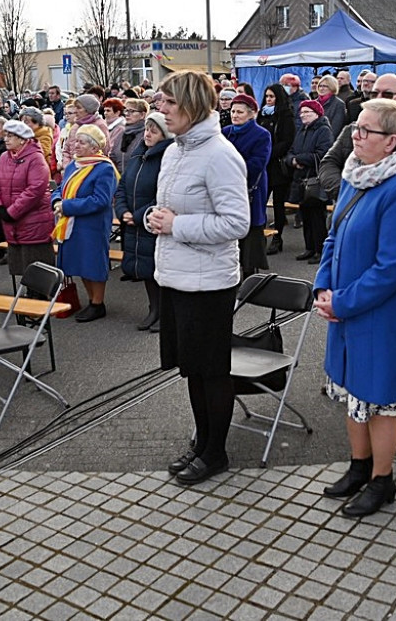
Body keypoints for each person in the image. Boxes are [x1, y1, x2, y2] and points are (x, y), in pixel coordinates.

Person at [315, 99, 396, 517]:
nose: (355, 136)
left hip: (381, 316)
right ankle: (359, 467)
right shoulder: (355, 176)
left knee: (379, 400)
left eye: (365, 131)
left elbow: (392, 268)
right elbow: (333, 239)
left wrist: (342, 303)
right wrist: (322, 288)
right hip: (345, 310)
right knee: (353, 394)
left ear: (392, 141)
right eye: (355, 129)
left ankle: (384, 480)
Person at [149, 70, 249, 486]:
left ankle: (216, 451)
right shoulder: (175, 150)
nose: (162, 111)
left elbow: (237, 222)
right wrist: (155, 218)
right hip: (175, 275)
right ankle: (200, 441)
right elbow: (172, 206)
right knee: (191, 368)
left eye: (170, 104)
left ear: (191, 106)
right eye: (161, 103)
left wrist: (177, 225)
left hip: (208, 282)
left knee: (212, 370)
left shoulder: (221, 154)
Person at [318, 74, 396, 199]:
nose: (379, 98)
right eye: (374, 94)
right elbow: (328, 163)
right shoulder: (352, 129)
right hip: (347, 207)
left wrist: (373, 196)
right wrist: (346, 192)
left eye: (387, 94)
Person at [51, 124, 118, 323]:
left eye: (81, 142)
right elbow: (60, 189)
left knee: (92, 263)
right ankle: (91, 300)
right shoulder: (73, 165)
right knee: (80, 262)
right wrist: (56, 201)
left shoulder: (104, 168)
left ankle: (98, 304)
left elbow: (101, 200)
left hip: (92, 225)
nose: (75, 145)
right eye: (75, 141)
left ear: (94, 146)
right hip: (71, 223)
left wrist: (67, 206)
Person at [114, 112, 173, 332]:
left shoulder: (167, 156)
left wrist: (138, 216)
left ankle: (164, 313)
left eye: (153, 130)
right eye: (146, 129)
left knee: (159, 269)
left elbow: (163, 194)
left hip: (152, 222)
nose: (147, 134)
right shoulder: (138, 155)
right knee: (146, 269)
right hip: (133, 222)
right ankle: (154, 310)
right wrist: (123, 211)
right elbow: (122, 186)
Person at [0, 119, 56, 289]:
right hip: (12, 221)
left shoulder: (35, 158)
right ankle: (28, 298)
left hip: (33, 220)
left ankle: (39, 301)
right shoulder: (5, 157)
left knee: (37, 265)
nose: (6, 139)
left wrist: (12, 212)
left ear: (23, 139)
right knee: (21, 266)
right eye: (5, 135)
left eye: (11, 136)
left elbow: (35, 189)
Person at [222, 93, 272, 278]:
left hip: (250, 187)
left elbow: (258, 163)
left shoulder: (261, 134)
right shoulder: (225, 132)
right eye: (233, 111)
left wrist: (231, 171)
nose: (235, 115)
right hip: (226, 187)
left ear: (251, 114)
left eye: (240, 112)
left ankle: (251, 273)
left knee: (251, 229)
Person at [285, 100, 334, 263]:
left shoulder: (323, 131)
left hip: (315, 180)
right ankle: (309, 248)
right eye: (302, 112)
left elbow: (322, 154)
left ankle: (320, 250)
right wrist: (292, 160)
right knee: (305, 215)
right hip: (300, 180)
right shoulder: (301, 130)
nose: (303, 115)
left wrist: (299, 159)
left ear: (317, 114)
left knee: (317, 218)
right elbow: (291, 151)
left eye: (308, 112)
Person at [256, 84, 296, 257]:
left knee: (278, 204)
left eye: (272, 97)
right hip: (262, 166)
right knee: (260, 202)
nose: (269, 100)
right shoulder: (261, 114)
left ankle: (277, 238)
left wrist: (268, 153)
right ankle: (261, 237)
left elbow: (287, 141)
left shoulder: (285, 116)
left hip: (277, 165)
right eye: (267, 96)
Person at [60, 94, 110, 168]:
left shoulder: (100, 125)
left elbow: (104, 151)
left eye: (79, 108)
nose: (75, 111)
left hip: (91, 170)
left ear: (88, 110)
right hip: (73, 169)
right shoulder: (75, 126)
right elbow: (66, 150)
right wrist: (67, 166)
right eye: (75, 107)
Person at [117, 98, 149, 170]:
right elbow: (113, 154)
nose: (127, 114)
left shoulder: (145, 134)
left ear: (142, 115)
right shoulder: (122, 132)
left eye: (132, 111)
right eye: (126, 110)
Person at [102, 98, 127, 171]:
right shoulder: (105, 125)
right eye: (105, 110)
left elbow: (111, 148)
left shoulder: (120, 128)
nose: (105, 113)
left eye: (108, 111)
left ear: (117, 113)